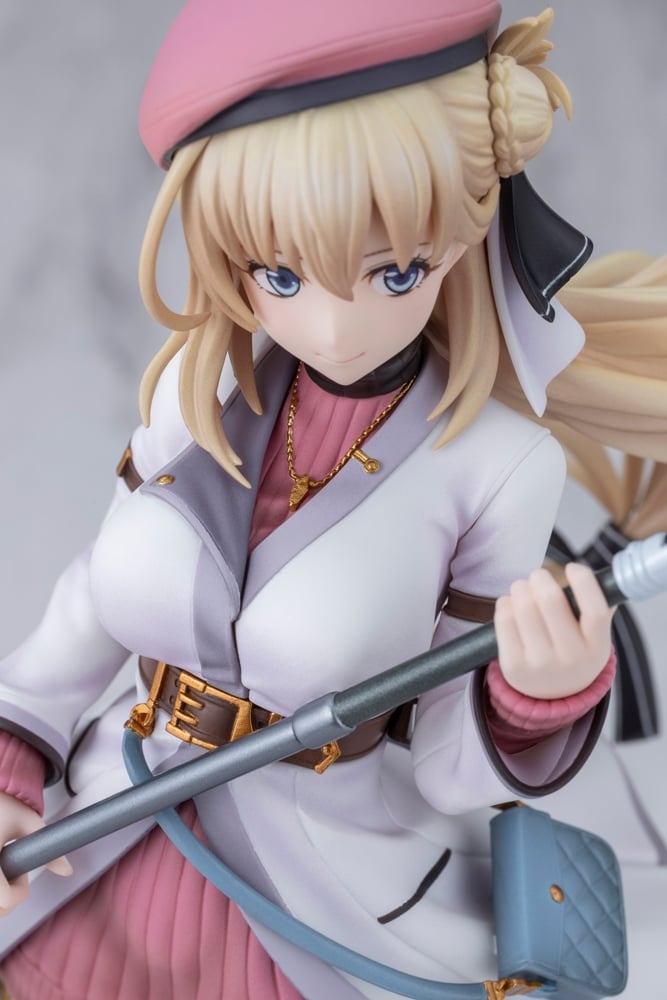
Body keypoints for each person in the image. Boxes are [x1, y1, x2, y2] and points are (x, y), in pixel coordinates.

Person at [0, 2, 665, 997]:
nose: (335, 326)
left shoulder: (495, 464)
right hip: (102, 825)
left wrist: (535, 697)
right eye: (280, 273)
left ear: (461, 234)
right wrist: (14, 753)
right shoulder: (194, 392)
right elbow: (88, 609)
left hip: (314, 883)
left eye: (394, 270)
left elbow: (446, 756)